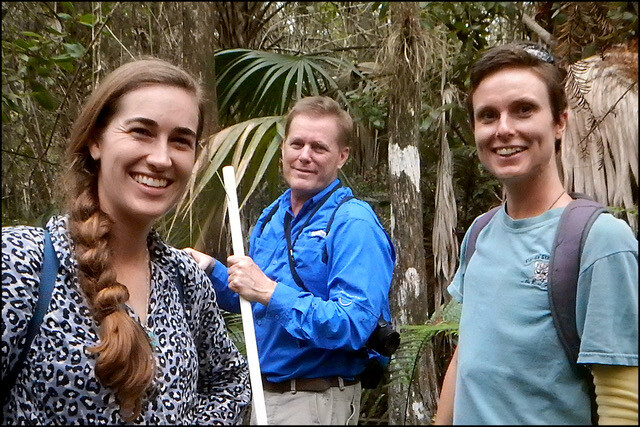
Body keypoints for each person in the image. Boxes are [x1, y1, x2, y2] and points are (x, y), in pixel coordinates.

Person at [1, 58, 251, 424]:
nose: (161, 158)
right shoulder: (22, 263)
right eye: (141, 132)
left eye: (181, 141)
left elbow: (230, 381)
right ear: (96, 141)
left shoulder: (186, 280)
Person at [434, 42, 638, 425]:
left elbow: (622, 401)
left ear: (560, 122)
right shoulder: (479, 235)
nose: (504, 129)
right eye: (488, 116)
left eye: (524, 110)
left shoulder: (601, 241)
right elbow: (466, 356)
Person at [185, 95, 396, 425]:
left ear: (342, 156)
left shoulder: (353, 224)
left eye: (319, 148)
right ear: (284, 148)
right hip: (259, 394)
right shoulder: (272, 217)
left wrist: (270, 291)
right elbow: (251, 300)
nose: (305, 156)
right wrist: (211, 270)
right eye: (297, 144)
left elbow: (355, 324)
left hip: (314, 401)